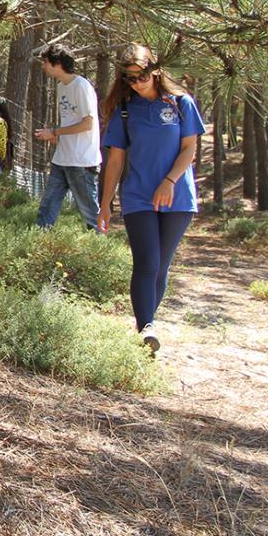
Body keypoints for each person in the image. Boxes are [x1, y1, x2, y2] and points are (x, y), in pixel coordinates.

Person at [98, 43, 205, 355]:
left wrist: (169, 181)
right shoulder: (126, 110)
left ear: (155, 70)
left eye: (141, 75)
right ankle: (147, 327)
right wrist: (105, 203)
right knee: (146, 261)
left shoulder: (181, 102)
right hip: (138, 196)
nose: (137, 82)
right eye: (129, 78)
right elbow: (115, 160)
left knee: (161, 265)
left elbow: (189, 148)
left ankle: (147, 327)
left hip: (178, 196)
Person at [34, 43, 102, 229]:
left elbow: (88, 123)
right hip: (62, 159)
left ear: (57, 63)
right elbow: (70, 122)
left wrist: (55, 132)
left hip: (81, 161)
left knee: (90, 215)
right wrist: (55, 135)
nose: (43, 67)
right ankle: (38, 251)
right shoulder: (61, 87)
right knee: (46, 210)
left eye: (46, 62)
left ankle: (100, 252)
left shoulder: (82, 86)